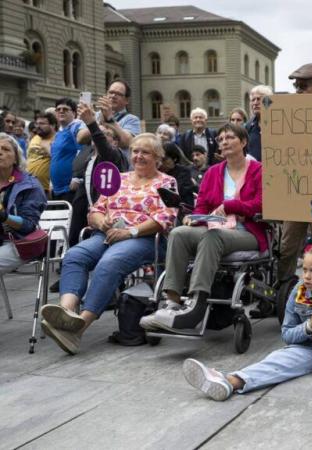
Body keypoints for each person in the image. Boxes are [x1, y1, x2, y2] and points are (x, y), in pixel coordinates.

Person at [181, 243, 312, 412]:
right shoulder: (298, 292)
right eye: (304, 269)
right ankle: (230, 381)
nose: (306, 276)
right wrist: (308, 326)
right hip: (307, 348)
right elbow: (287, 334)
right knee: (277, 361)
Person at [40, 133, 177, 355]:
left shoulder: (166, 182)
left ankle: (80, 326)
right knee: (75, 256)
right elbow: (94, 211)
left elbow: (165, 218)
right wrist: (101, 221)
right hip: (106, 234)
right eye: (135, 151)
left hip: (143, 238)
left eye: (145, 152)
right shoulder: (119, 179)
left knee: (109, 263)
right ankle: (65, 313)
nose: (138, 156)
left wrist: (130, 231)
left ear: (158, 157)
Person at [141, 123, 266, 332]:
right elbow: (202, 206)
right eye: (221, 139)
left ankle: (195, 305)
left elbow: (262, 204)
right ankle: (171, 302)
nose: (224, 142)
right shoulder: (213, 172)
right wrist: (195, 218)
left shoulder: (259, 171)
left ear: (244, 142)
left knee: (212, 236)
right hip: (214, 228)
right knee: (179, 233)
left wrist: (230, 205)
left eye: (230, 137)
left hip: (247, 231)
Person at [276, 64, 312, 285]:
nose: (298, 92)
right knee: (287, 245)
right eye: (296, 87)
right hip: (297, 188)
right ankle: (283, 292)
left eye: (303, 87)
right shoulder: (287, 116)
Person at [67, 102, 129, 247]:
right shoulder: (89, 158)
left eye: (106, 134)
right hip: (90, 213)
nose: (100, 136)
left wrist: (92, 123)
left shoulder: (115, 156)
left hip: (111, 219)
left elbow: (103, 146)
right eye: (99, 133)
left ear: (115, 142)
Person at [0, 133, 47, 276]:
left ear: (16, 158)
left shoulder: (29, 185)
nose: (0, 152)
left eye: (6, 149)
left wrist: (4, 217)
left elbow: (28, 225)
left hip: (17, 242)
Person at [50, 98, 91, 202]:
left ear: (74, 113)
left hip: (71, 189)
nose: (61, 111)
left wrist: (78, 177)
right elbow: (55, 158)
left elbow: (85, 151)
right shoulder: (59, 133)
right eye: (58, 109)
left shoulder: (76, 127)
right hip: (57, 189)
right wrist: (51, 183)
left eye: (65, 109)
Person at [96, 80, 141, 152]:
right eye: (111, 92)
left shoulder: (132, 119)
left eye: (119, 94)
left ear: (127, 100)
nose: (113, 96)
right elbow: (80, 138)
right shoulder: (95, 115)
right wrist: (95, 122)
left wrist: (110, 120)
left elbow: (128, 142)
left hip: (116, 162)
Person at [26, 112, 56, 194]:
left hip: (45, 189)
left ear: (52, 125)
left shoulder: (57, 139)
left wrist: (47, 147)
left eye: (42, 123)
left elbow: (57, 160)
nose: (38, 126)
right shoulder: (35, 137)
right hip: (27, 185)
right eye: (37, 123)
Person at [244, 85, 274, 162]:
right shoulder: (248, 126)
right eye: (253, 100)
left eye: (259, 99)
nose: (255, 103)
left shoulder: (278, 122)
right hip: (255, 171)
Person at [161, 143, 195, 208]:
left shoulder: (184, 172)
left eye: (164, 159)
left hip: (182, 208)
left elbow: (177, 192)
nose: (161, 163)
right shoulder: (158, 171)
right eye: (159, 159)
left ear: (174, 159)